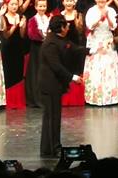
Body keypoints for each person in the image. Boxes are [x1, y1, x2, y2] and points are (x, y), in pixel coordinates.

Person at [38, 15, 83, 158]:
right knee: (52, 117)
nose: (68, 27)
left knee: (52, 117)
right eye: (66, 25)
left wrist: (92, 50)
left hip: (55, 85)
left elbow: (74, 48)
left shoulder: (60, 39)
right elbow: (56, 66)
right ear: (61, 28)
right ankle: (54, 148)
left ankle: (48, 148)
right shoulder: (50, 43)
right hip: (50, 84)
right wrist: (73, 77)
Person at [83, 0, 118, 106]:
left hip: (107, 40)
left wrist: (107, 17)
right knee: (96, 68)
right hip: (95, 41)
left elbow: (113, 27)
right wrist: (100, 18)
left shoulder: (111, 10)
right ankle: (94, 97)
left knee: (108, 68)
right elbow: (89, 26)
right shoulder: (91, 11)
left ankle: (110, 97)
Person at [0, 0, 27, 110]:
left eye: (16, 4)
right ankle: (9, 101)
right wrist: (14, 26)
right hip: (7, 48)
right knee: (8, 72)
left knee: (18, 73)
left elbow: (22, 35)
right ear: (7, 5)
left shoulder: (21, 17)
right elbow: (6, 35)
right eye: (12, 4)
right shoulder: (3, 17)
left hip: (18, 48)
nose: (14, 6)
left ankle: (18, 101)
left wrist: (22, 27)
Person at [25, 0, 49, 107]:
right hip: (37, 48)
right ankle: (36, 99)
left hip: (47, 48)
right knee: (37, 72)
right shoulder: (32, 20)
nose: (42, 8)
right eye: (40, 6)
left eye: (44, 6)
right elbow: (31, 34)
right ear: (36, 7)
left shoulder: (48, 18)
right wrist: (43, 37)